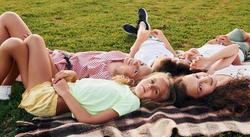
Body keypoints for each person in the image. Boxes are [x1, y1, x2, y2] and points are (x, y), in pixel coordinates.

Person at [0, 34, 175, 124]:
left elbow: (88, 120)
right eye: (152, 82)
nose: (149, 87)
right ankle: (3, 90)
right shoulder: (122, 85)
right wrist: (72, 77)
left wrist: (66, 93)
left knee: (35, 39)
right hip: (53, 89)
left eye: (156, 91)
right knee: (14, 45)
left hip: (46, 100)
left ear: (156, 101)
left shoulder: (131, 102)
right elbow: (88, 90)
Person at [0, 11, 152, 100]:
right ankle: (5, 81)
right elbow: (137, 48)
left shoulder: (106, 81)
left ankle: (5, 82)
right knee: (9, 17)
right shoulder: (123, 57)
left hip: (50, 71)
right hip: (53, 56)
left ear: (129, 80)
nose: (138, 63)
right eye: (142, 63)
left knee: (25, 42)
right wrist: (143, 29)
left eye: (137, 70)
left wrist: (40, 52)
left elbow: (63, 82)